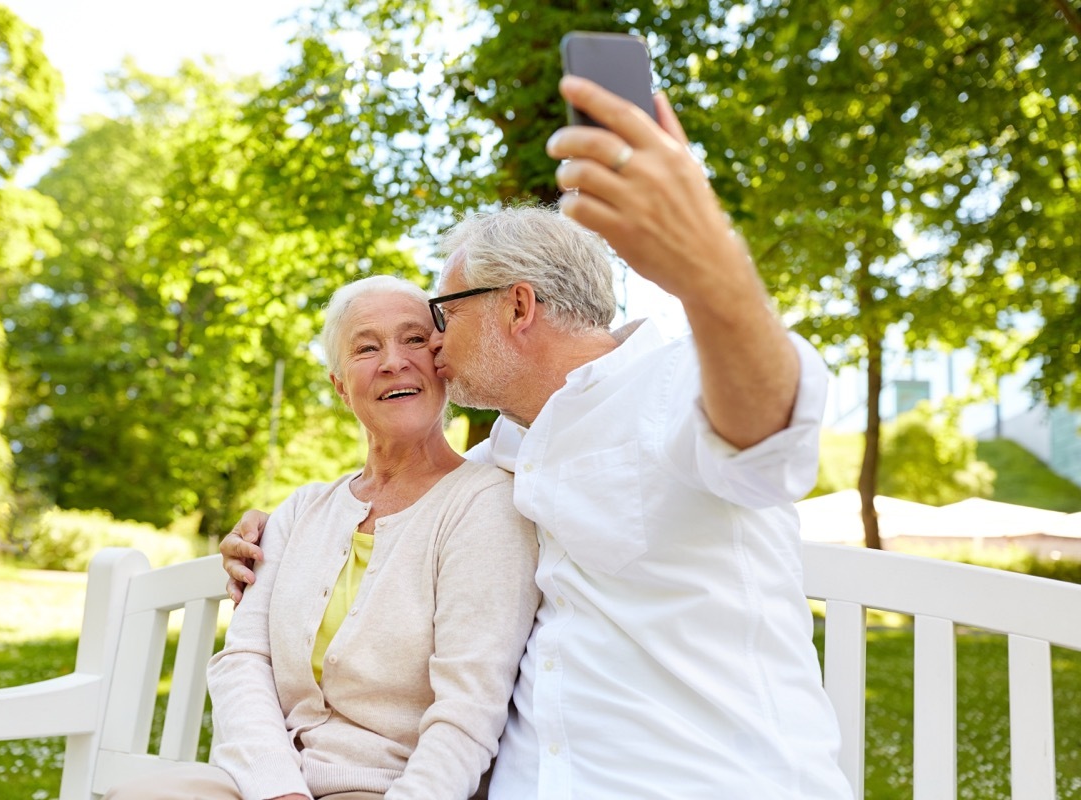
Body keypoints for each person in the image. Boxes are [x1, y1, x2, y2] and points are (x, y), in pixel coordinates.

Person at [222, 76, 852, 799]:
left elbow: (770, 429)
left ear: (516, 306)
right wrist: (279, 532)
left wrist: (710, 270)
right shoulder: (506, 456)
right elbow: (399, 497)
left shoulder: (678, 384)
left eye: (443, 314)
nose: (431, 348)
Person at [107, 276, 539, 800]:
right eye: (366, 347)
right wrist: (279, 789)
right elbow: (244, 662)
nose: (393, 361)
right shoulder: (299, 512)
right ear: (339, 385)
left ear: (442, 362)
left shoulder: (483, 505)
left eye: (415, 340)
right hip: (265, 784)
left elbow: (468, 711)